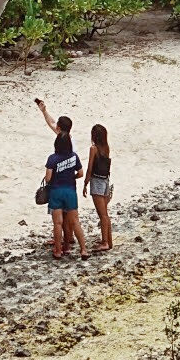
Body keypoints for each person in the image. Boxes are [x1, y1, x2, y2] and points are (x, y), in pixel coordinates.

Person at [34, 98, 86, 261]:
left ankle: (64, 245)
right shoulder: (68, 139)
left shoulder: (61, 145)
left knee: (60, 220)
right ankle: (71, 245)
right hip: (70, 185)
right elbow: (52, 123)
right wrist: (44, 111)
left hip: (59, 187)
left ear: (61, 129)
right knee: (71, 216)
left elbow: (52, 124)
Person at [84, 122, 114, 249]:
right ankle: (109, 240)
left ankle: (105, 242)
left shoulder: (93, 149)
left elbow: (90, 167)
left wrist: (85, 183)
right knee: (105, 214)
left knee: (102, 214)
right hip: (106, 181)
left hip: (97, 182)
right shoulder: (106, 148)